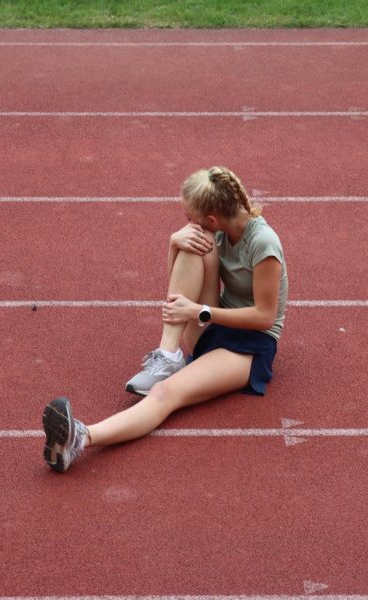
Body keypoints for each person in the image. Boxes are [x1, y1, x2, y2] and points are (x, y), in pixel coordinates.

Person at [42, 166, 289, 473]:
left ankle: (80, 438)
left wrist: (198, 312)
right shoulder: (217, 232)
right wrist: (174, 242)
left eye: (190, 217)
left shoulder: (264, 244)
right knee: (191, 246)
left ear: (212, 219)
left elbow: (265, 317)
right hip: (214, 322)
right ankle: (168, 354)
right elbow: (179, 281)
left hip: (249, 347)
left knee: (165, 394)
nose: (188, 223)